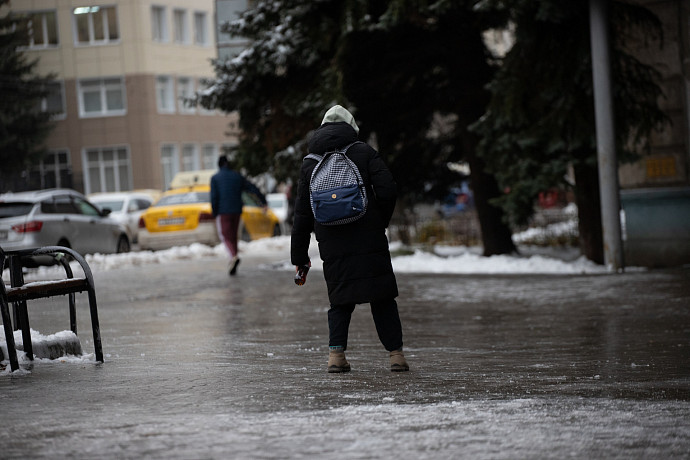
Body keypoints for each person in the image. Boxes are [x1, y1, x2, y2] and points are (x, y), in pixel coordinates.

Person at [291, 105, 409, 373]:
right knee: (382, 297)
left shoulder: (310, 163)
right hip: (369, 237)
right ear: (351, 127)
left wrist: (299, 257)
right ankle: (396, 356)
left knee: (340, 299)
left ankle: (336, 357)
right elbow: (388, 189)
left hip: (332, 242)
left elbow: (301, 213)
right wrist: (380, 221)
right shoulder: (362, 152)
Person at [211, 155, 267, 276]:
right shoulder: (237, 176)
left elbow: (214, 197)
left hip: (223, 212)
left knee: (225, 236)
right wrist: (263, 201)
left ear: (219, 165)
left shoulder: (215, 178)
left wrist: (215, 213)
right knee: (233, 236)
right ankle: (234, 260)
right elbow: (252, 188)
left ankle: (233, 256)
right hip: (236, 211)